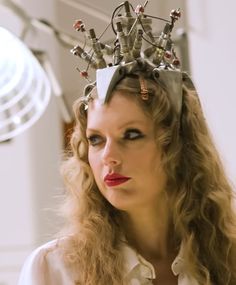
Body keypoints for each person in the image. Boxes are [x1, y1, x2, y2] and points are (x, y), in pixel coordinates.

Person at [18, 2, 236, 285]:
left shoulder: (226, 258)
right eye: (96, 139)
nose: (109, 156)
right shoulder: (53, 269)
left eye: (131, 135)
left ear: (178, 145)